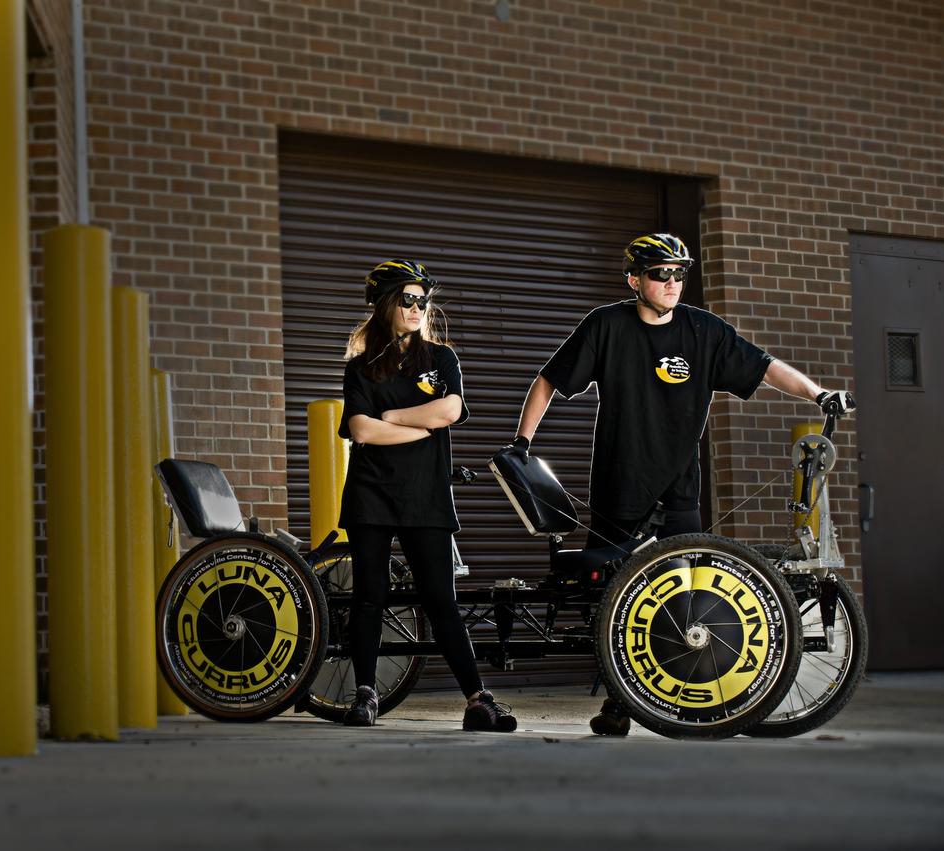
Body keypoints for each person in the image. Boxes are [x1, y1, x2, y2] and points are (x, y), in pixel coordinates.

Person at [509, 233, 853, 736]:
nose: (671, 283)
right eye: (659, 274)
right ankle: (619, 703)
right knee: (617, 599)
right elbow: (549, 380)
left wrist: (818, 393)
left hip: (679, 487)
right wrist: (522, 442)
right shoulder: (606, 326)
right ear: (634, 280)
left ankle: (691, 694)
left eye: (679, 274)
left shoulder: (702, 330)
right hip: (620, 482)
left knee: (686, 597)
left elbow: (765, 367)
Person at [338, 259, 516, 733]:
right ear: (384, 305)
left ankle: (478, 700)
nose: (417, 308)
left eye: (422, 300)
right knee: (370, 598)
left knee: (441, 600)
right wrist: (420, 425)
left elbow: (451, 410)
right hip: (371, 494)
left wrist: (392, 417)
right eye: (407, 299)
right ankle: (365, 694)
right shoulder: (360, 368)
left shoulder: (441, 359)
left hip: (426, 494)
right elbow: (360, 430)